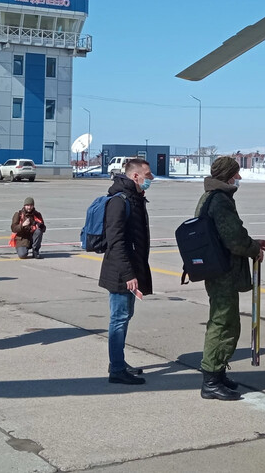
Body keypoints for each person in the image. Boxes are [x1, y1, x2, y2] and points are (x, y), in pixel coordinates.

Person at [196, 156, 265, 401]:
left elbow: (231, 234)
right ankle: (211, 380)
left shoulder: (210, 197)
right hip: (222, 272)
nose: (239, 178)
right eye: (236, 174)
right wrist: (252, 249)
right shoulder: (220, 201)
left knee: (227, 321)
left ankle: (217, 371)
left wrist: (252, 243)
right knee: (223, 323)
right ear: (227, 176)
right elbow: (234, 238)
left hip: (217, 269)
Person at [100, 158, 153, 385]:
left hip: (131, 269)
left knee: (125, 316)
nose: (151, 178)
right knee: (119, 319)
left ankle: (118, 361)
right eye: (148, 174)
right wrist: (129, 274)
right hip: (121, 272)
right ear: (135, 176)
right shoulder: (119, 201)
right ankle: (117, 370)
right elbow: (116, 242)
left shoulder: (135, 198)